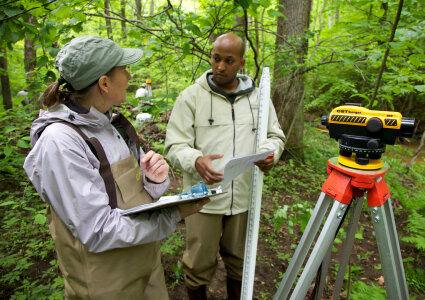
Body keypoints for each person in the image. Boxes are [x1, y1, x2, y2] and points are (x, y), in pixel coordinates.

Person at [23, 35, 208, 300]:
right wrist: (173, 215)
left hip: (145, 265)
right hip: (108, 284)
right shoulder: (61, 142)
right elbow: (97, 230)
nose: (130, 76)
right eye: (124, 69)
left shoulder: (111, 124)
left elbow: (129, 199)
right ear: (104, 83)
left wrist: (153, 182)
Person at [164, 33, 286, 299]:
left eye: (228, 60)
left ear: (241, 63)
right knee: (197, 264)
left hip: (244, 198)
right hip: (203, 199)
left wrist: (269, 154)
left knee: (240, 262)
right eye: (216, 58)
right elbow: (174, 146)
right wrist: (195, 159)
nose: (220, 66)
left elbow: (275, 136)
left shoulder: (258, 99)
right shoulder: (191, 97)